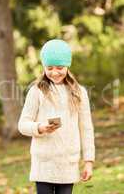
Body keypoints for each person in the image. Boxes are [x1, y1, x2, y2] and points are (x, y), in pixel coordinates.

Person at [18, 39, 95, 194]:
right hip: (44, 162)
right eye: (49, 68)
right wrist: (39, 127)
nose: (55, 72)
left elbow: (86, 129)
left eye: (60, 67)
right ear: (44, 67)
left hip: (68, 162)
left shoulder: (79, 92)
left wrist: (88, 161)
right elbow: (23, 124)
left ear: (67, 66)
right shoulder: (36, 91)